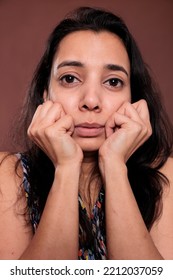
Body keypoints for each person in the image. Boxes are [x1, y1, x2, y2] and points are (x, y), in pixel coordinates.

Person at [0, 6, 173, 260]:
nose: (91, 101)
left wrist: (114, 165)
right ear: (45, 94)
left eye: (113, 82)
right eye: (70, 79)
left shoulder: (165, 176)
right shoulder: (8, 175)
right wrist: (67, 167)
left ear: (133, 99)